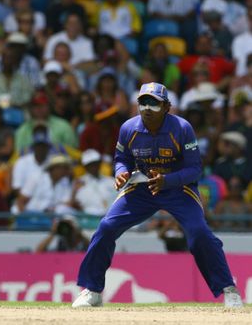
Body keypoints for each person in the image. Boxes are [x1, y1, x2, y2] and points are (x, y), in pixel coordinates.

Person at [72, 82, 244, 308]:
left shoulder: (182, 128)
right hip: (142, 188)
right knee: (106, 227)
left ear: (167, 107)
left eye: (153, 103)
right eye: (143, 102)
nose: (146, 108)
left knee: (200, 233)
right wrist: (122, 173)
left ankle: (228, 289)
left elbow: (195, 170)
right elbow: (122, 160)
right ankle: (92, 290)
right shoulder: (128, 128)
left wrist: (167, 181)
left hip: (177, 188)